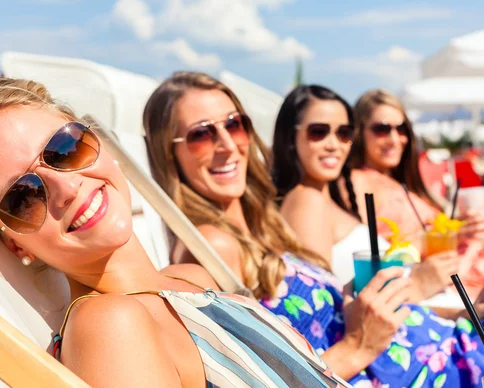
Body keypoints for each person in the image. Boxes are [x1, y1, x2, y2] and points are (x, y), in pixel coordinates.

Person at [0, 73, 351, 388]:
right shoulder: (108, 326)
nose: (66, 187)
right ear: (16, 243)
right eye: (21, 196)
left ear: (100, 144)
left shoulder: (193, 282)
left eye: (65, 148)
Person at [144, 71, 484, 387]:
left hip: (447, 351)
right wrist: (357, 346)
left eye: (235, 124)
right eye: (201, 134)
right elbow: (261, 380)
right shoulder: (212, 246)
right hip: (439, 371)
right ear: (168, 153)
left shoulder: (263, 226)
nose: (228, 145)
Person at [271, 84, 456, 300]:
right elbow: (318, 306)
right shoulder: (307, 200)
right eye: (319, 132)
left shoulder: (326, 199)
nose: (334, 145)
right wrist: (416, 286)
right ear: (290, 137)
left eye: (343, 133)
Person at [348, 89, 484, 297]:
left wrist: (459, 227)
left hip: (461, 284)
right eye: (381, 129)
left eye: (401, 129)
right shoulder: (359, 182)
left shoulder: (405, 183)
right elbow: (366, 251)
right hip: (439, 295)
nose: (395, 139)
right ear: (359, 133)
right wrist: (434, 238)